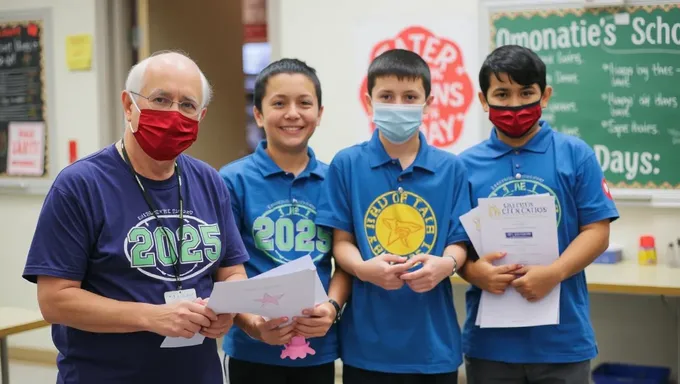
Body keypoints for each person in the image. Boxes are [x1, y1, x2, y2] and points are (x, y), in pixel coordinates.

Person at [22, 51, 249, 384]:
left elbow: (232, 271)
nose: (174, 114)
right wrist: (152, 317)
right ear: (129, 106)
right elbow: (55, 301)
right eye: (160, 99)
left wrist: (227, 308)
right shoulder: (80, 185)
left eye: (187, 105)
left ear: (201, 116)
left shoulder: (208, 181)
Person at [457, 45, 620, 384]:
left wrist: (554, 273)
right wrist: (475, 273)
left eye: (526, 92)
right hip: (490, 344)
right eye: (502, 93)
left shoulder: (576, 154)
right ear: (483, 100)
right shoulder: (464, 166)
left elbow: (597, 231)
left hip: (563, 340)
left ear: (544, 95)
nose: (514, 105)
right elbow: (457, 245)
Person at [316, 48, 471, 384]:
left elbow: (459, 242)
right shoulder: (347, 164)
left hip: (433, 344)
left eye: (410, 96)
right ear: (369, 101)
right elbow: (341, 242)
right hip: (366, 347)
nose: (398, 105)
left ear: (428, 104)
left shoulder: (451, 169)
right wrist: (362, 269)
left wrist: (447, 265)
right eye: (386, 96)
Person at [219, 58, 351, 384]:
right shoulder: (231, 180)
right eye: (279, 103)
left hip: (316, 349)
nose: (292, 113)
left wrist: (332, 308)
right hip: (251, 351)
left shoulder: (335, 178)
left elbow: (344, 259)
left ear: (319, 113)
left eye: (304, 103)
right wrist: (251, 323)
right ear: (259, 114)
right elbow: (222, 267)